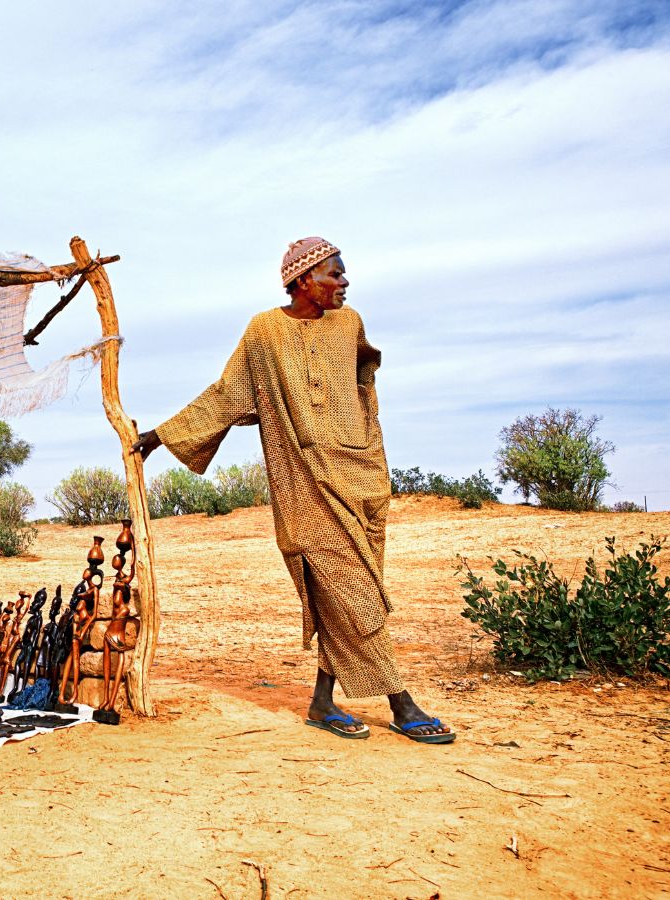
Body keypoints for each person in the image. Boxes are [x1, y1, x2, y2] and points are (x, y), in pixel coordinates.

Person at [134, 237, 453, 744]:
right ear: (304, 279)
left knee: (345, 594)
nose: (345, 283)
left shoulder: (350, 325)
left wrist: (370, 448)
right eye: (335, 274)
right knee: (355, 592)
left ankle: (323, 702)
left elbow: (366, 381)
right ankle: (401, 702)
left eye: (345, 275)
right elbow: (229, 395)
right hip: (303, 487)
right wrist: (161, 435)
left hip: (363, 479)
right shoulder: (264, 332)